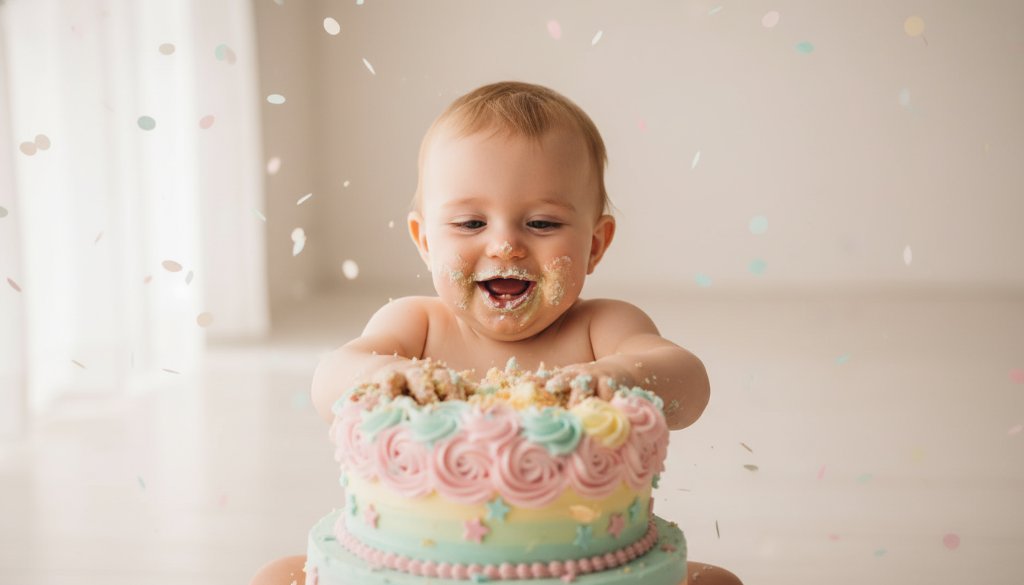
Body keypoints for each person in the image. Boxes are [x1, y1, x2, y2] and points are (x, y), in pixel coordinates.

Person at [250, 81, 741, 585]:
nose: (506, 244)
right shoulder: (416, 325)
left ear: (596, 244)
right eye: (469, 223)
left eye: (543, 223)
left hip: (580, 572)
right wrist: (386, 373)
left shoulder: (602, 328)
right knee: (276, 575)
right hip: (411, 571)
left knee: (717, 582)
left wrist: (615, 374)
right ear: (424, 241)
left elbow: (689, 385)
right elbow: (329, 382)